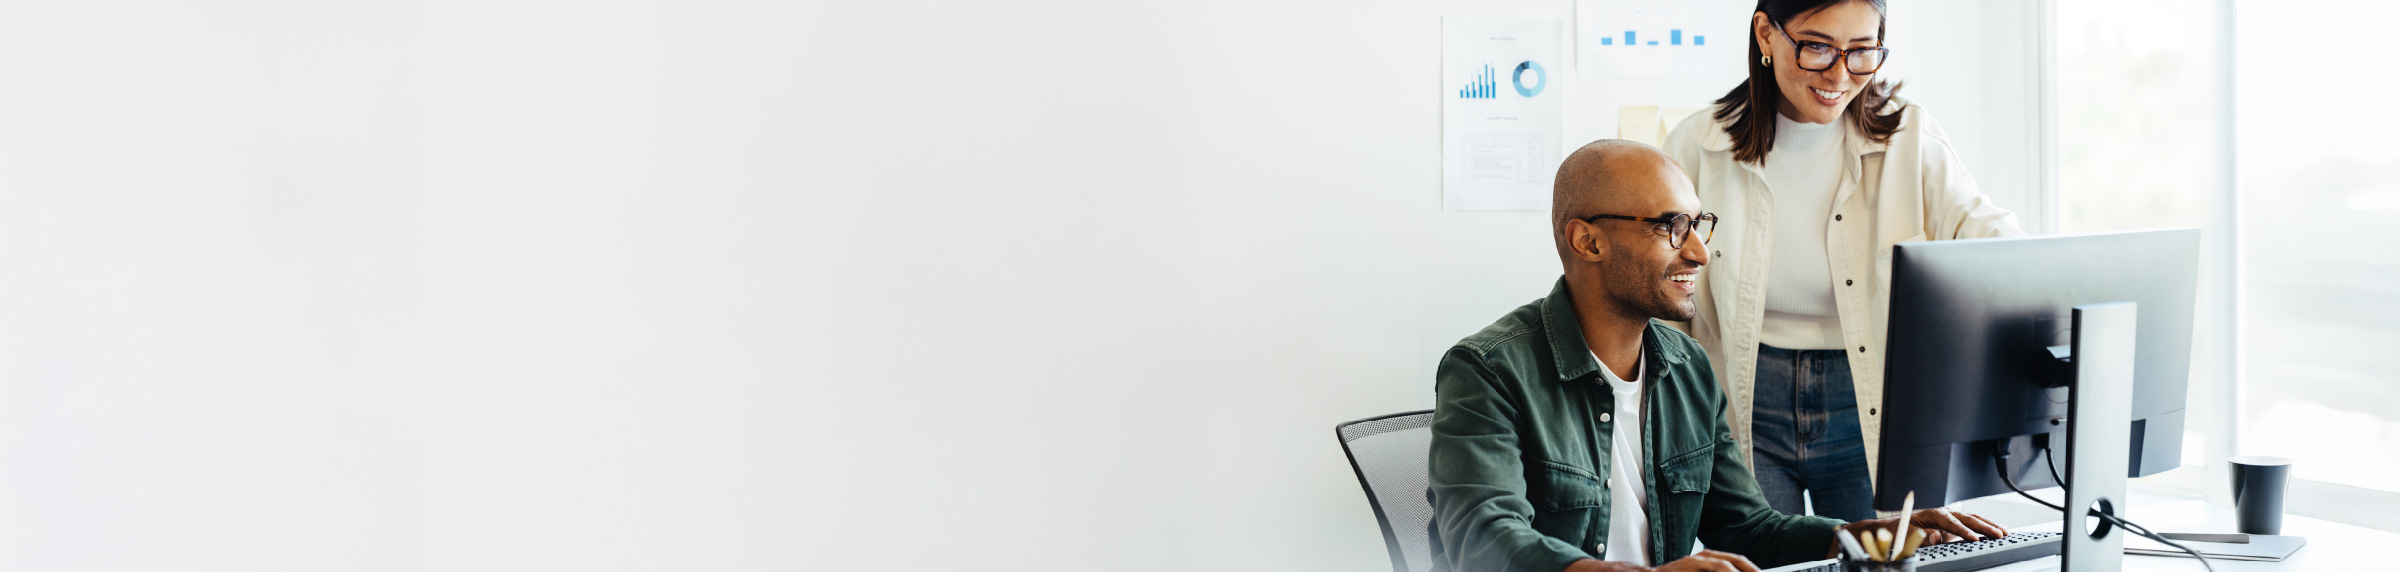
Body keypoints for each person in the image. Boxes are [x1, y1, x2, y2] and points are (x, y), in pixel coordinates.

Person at [1427, 140, 2007, 572]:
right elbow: (1483, 535)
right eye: (1671, 227)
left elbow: (1748, 526)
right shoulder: (1488, 371)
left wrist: (1871, 538)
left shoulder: (1686, 366)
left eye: (1698, 225)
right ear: (1588, 241)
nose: (1700, 252)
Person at [1659, 0, 2024, 522]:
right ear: (1766, 34)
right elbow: (1657, 278)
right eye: (1817, 47)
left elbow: (1990, 236)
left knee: (1881, 557)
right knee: (1768, 556)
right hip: (1744, 397)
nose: (1839, 74)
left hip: (1867, 397)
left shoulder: (1910, 138)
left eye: (1861, 52)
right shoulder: (1698, 144)